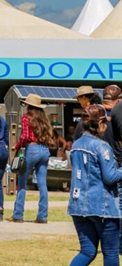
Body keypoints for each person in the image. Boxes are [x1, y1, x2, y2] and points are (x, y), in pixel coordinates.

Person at [68, 104, 122, 266]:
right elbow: (110, 177)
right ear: (99, 124)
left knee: (87, 251)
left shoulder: (76, 145)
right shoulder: (102, 146)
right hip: (102, 207)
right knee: (110, 252)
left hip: (78, 205)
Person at [7, 94, 55, 224]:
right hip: (44, 149)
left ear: (28, 105)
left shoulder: (26, 117)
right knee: (42, 184)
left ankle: (18, 214)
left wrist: (17, 147)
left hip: (32, 149)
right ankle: (42, 216)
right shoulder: (44, 119)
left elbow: (25, 136)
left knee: (22, 181)